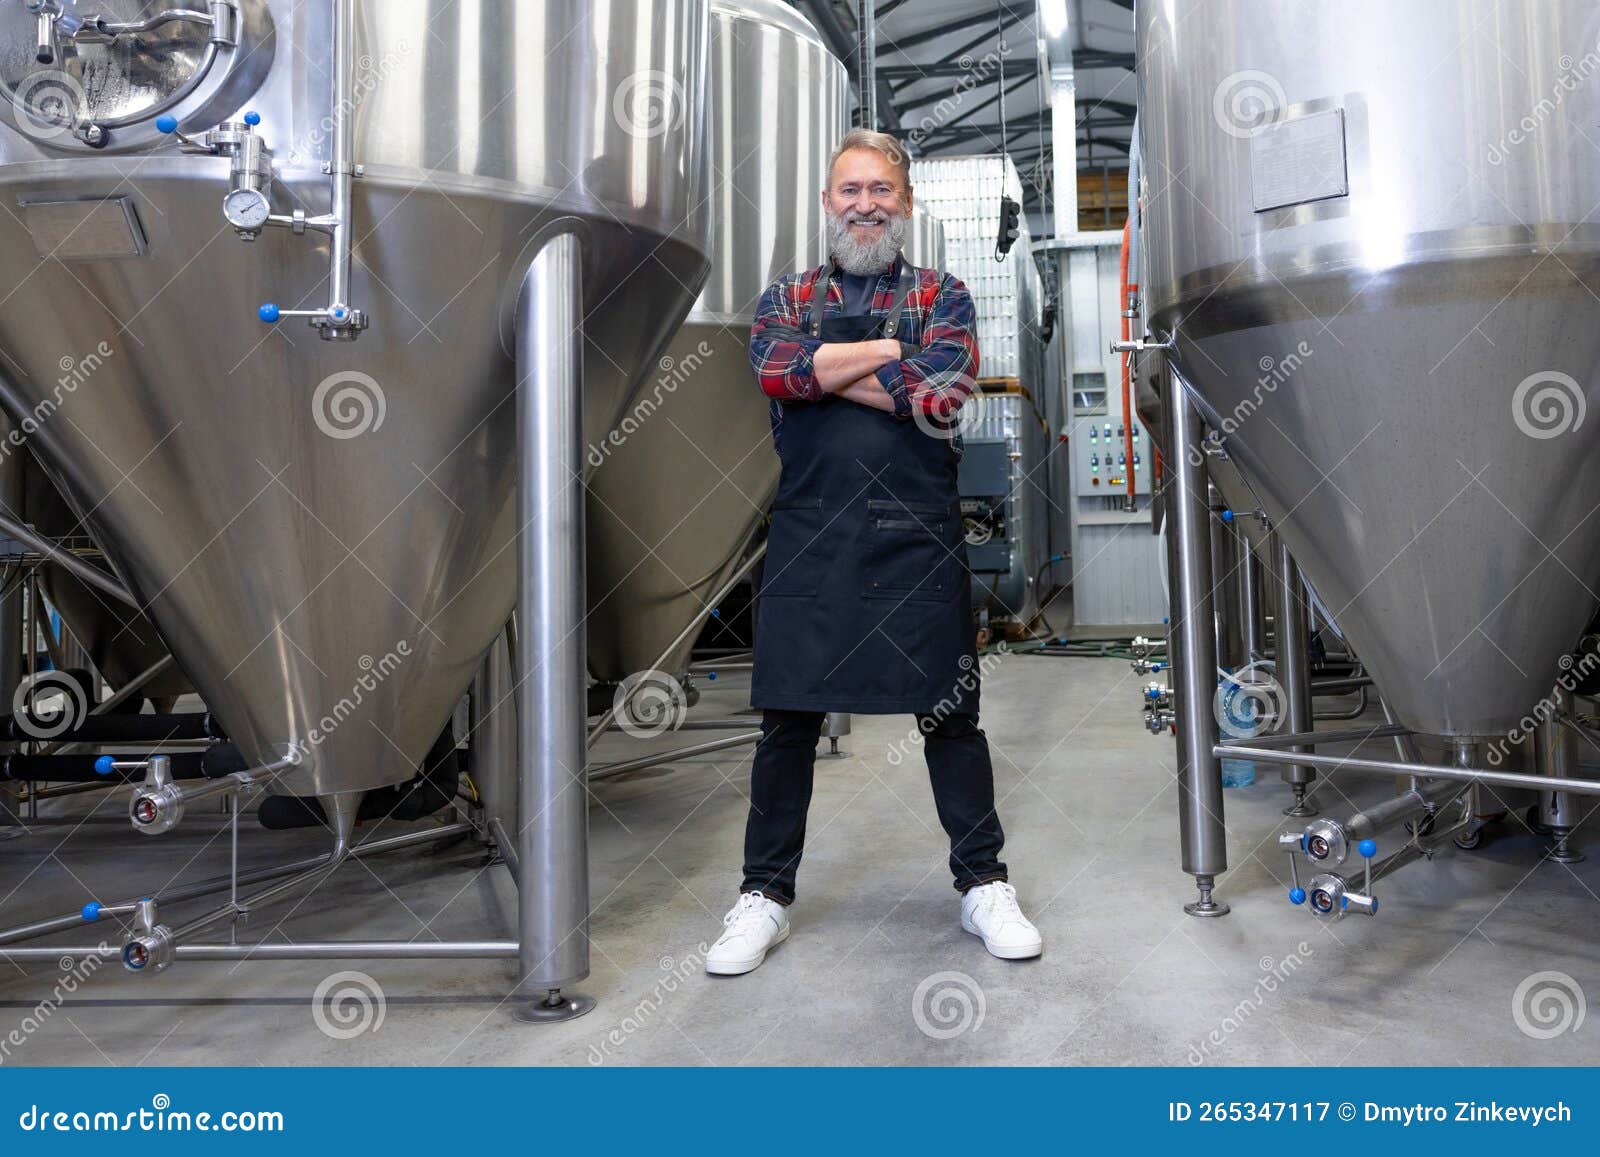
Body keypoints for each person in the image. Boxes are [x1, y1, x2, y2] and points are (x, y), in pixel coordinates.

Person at [704, 129, 1043, 976]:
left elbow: (941, 388)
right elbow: (776, 371)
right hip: (812, 540)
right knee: (787, 721)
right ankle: (763, 895)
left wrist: (829, 369)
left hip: (917, 543)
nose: (865, 204)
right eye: (850, 190)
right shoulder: (784, 296)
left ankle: (983, 882)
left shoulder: (945, 292)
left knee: (951, 718)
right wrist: (889, 353)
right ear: (828, 202)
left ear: (906, 204)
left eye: (880, 191)